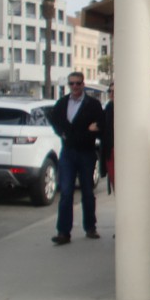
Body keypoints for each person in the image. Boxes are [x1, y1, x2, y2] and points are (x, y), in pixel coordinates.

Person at [49, 71, 105, 245]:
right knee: (66, 192)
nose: (75, 87)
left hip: (87, 153)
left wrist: (92, 130)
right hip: (68, 152)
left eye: (78, 83)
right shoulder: (62, 103)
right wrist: (62, 133)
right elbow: (53, 119)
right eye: (71, 84)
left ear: (83, 84)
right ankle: (63, 232)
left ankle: (90, 227)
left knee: (87, 192)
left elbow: (102, 124)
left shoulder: (93, 104)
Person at [99, 82, 114, 193]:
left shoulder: (128, 109)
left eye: (115, 91)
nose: (112, 94)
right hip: (110, 151)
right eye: (110, 91)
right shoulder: (109, 107)